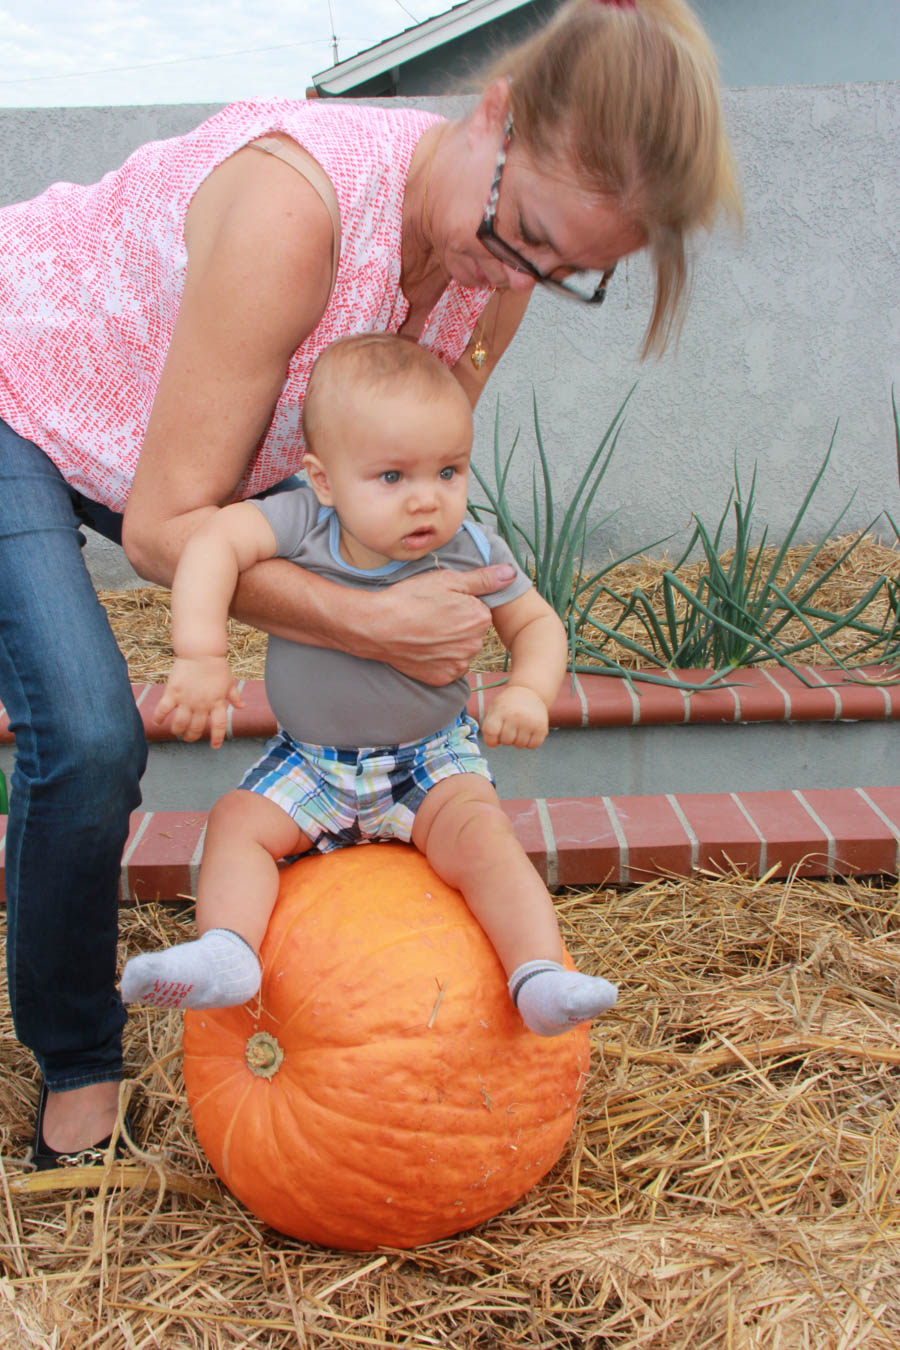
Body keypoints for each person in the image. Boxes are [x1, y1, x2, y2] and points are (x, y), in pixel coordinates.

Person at [0, 0, 738, 1165]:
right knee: (88, 736)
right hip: (22, 395)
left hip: (165, 455)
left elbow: (403, 518)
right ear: (494, 114)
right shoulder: (298, 214)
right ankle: (81, 1054)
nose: (525, 279)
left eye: (570, 272)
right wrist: (374, 627)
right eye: (526, 232)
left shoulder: (496, 266)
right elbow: (163, 530)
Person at [120, 335, 619, 1034]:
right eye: (393, 478)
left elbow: (536, 623)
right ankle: (228, 950)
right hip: (312, 763)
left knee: (486, 842)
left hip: (429, 759)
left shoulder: (472, 547)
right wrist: (201, 654)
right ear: (323, 480)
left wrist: (530, 690)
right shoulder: (299, 523)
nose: (427, 501)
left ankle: (537, 974)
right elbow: (210, 545)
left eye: (449, 472)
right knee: (237, 824)